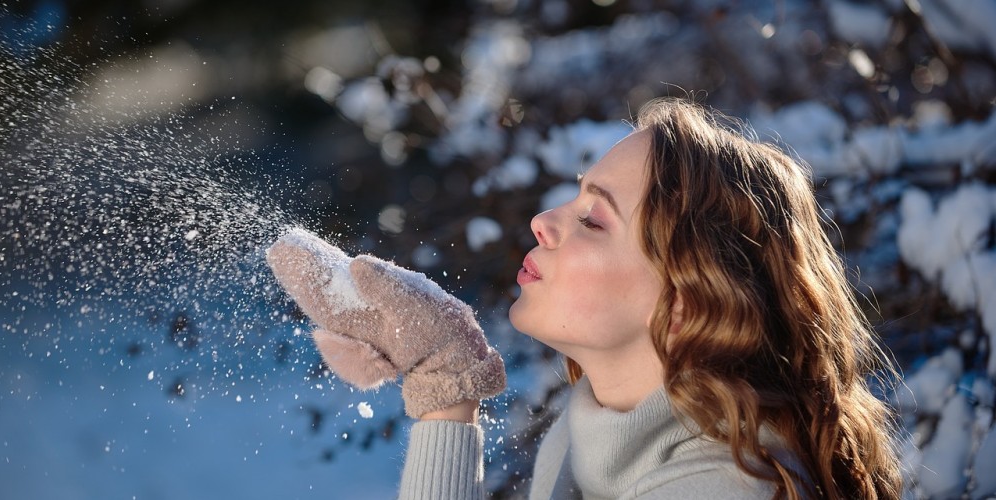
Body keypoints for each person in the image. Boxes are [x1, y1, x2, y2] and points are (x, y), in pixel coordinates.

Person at [266, 97, 903, 499]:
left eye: (595, 220)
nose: (545, 219)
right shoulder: (590, 443)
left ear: (685, 304)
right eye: (575, 196)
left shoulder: (722, 489)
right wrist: (446, 385)